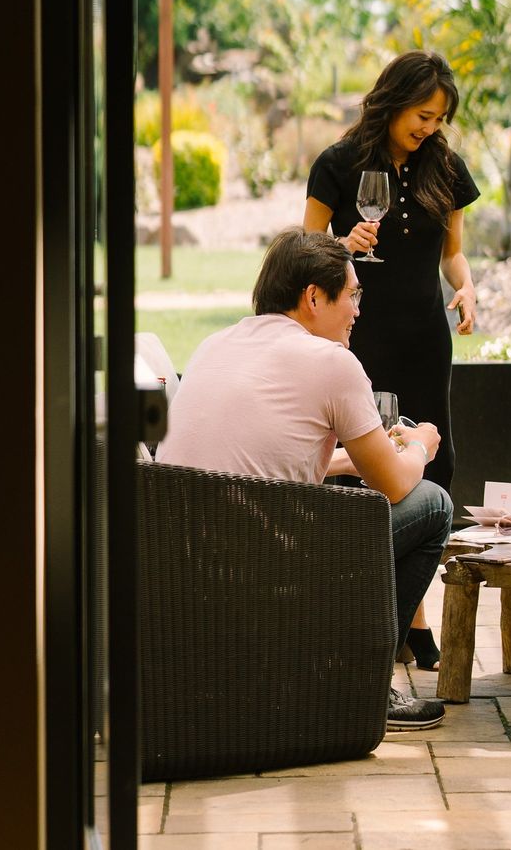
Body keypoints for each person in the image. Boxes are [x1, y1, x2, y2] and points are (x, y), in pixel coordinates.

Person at [154, 227, 454, 732]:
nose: (359, 309)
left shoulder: (216, 343)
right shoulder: (331, 362)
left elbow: (258, 456)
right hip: (261, 569)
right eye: (353, 294)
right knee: (434, 504)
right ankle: (366, 684)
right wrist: (422, 444)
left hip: (182, 563)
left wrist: (343, 461)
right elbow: (397, 486)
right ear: (313, 296)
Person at [304, 50, 479, 671]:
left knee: (430, 459)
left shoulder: (445, 168)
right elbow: (305, 253)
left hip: (425, 337)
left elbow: (452, 253)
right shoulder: (338, 163)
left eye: (438, 118)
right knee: (363, 463)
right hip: (358, 337)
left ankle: (411, 612)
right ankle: (384, 613)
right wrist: (340, 247)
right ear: (393, 99)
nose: (429, 127)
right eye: (421, 114)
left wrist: (466, 284)